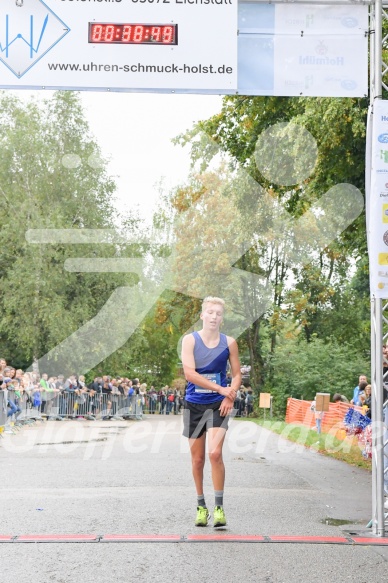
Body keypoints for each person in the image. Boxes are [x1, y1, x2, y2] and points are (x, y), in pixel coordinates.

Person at [181, 296, 241, 528]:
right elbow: (190, 374)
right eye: (211, 312)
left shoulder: (229, 343)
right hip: (194, 404)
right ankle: (200, 506)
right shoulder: (190, 340)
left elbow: (236, 375)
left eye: (218, 313)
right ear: (202, 316)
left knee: (215, 453)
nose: (214, 316)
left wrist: (229, 394)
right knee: (197, 460)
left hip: (219, 404)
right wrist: (220, 388)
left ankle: (218, 507)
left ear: (222, 319)